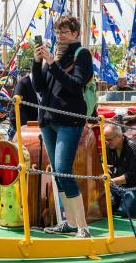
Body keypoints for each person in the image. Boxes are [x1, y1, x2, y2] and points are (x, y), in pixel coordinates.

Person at [32, 15, 93, 238]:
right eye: (58, 32)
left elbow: (76, 86)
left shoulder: (82, 55)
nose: (61, 36)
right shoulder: (54, 56)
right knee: (57, 173)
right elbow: (39, 87)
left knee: (64, 170)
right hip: (48, 120)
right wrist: (37, 62)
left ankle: (83, 226)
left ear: (76, 34)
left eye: (65, 32)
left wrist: (52, 64)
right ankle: (70, 222)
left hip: (69, 120)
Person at [104, 124, 136, 217]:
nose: (107, 142)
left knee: (125, 212)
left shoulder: (134, 147)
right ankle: (124, 201)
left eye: (109, 139)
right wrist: (104, 166)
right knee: (106, 208)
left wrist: (112, 181)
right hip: (118, 184)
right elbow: (106, 162)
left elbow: (134, 175)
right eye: (105, 139)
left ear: (119, 136)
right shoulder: (109, 146)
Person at [7, 72, 39, 140]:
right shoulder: (23, 83)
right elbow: (18, 107)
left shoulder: (40, 84)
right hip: (21, 127)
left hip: (33, 127)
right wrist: (24, 128)